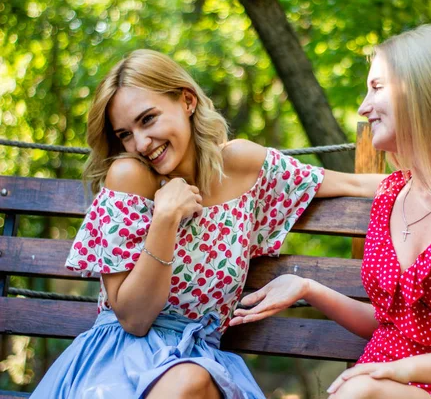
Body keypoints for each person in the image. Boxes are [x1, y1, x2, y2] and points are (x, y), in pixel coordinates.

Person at [30, 49, 384, 399]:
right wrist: (165, 219)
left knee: (188, 380)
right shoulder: (130, 176)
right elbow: (134, 320)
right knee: (182, 383)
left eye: (148, 119)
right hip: (122, 363)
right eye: (125, 133)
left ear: (187, 100)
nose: (140, 143)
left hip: (204, 362)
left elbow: (352, 184)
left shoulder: (241, 164)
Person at [230, 24, 431, 399]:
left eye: (377, 88)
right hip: (371, 384)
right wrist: (308, 288)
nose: (363, 107)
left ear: (424, 88)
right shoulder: (390, 194)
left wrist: (396, 372)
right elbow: (392, 325)